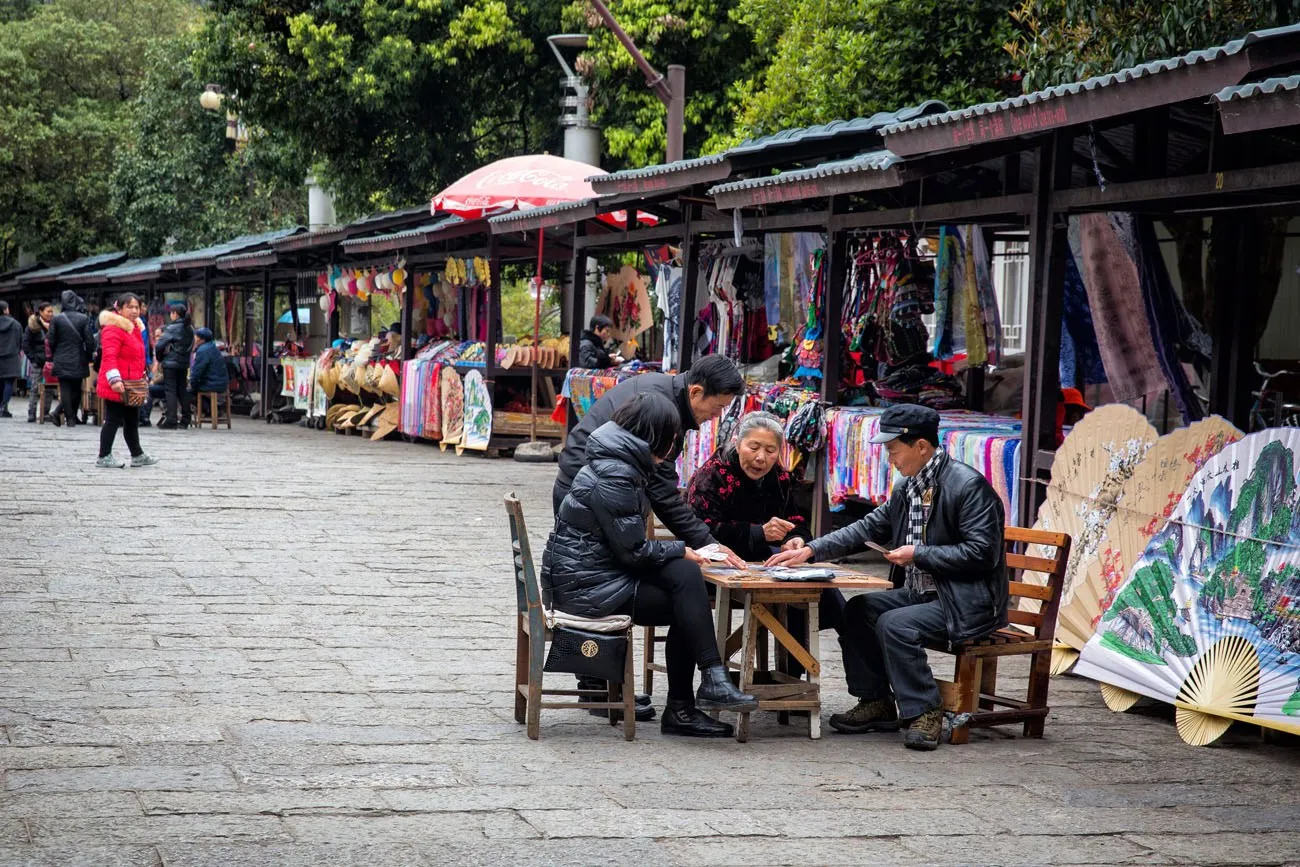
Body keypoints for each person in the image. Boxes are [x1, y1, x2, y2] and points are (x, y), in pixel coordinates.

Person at [767, 404, 1007, 751]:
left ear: (921, 447)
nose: (890, 457)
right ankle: (875, 701)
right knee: (859, 610)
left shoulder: (968, 487)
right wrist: (810, 550)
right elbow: (868, 526)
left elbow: (982, 554)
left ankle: (926, 711)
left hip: (967, 600)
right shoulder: (908, 486)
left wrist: (918, 554)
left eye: (893, 449)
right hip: (926, 593)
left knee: (895, 624)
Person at [543, 394, 759, 737]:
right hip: (587, 589)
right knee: (687, 596)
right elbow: (634, 552)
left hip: (594, 576)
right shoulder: (616, 474)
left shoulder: (619, 463)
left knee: (688, 582)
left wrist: (682, 553)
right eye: (672, 437)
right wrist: (682, 549)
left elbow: (629, 547)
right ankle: (689, 701)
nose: (675, 446)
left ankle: (702, 689)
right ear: (655, 434)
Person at [685, 411, 846, 652]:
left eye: (770, 451)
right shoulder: (712, 475)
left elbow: (796, 520)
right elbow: (700, 531)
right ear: (737, 444)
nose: (761, 458)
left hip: (762, 565)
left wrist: (796, 539)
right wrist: (759, 533)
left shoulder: (778, 477)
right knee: (788, 588)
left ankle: (796, 674)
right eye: (754, 447)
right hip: (711, 567)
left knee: (819, 590)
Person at [94, 294, 159, 469]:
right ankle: (104, 455)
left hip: (132, 383)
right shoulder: (112, 329)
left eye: (137, 307)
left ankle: (137, 455)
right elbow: (109, 357)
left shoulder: (135, 328)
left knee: (132, 419)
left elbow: (136, 357)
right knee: (113, 418)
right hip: (117, 382)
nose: (134, 310)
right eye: (130, 307)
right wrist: (115, 380)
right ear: (120, 309)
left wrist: (142, 376)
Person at [46, 290, 96, 427]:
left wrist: (56, 352)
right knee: (76, 388)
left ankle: (68, 417)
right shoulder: (83, 318)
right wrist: (88, 355)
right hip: (79, 357)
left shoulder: (57, 319)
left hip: (61, 357)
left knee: (66, 389)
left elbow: (50, 340)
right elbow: (89, 340)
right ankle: (70, 417)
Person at [154, 302, 194, 429]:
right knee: (182, 389)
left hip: (171, 363)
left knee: (170, 390)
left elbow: (159, 345)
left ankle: (171, 419)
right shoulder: (190, 328)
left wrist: (160, 357)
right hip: (183, 363)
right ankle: (186, 418)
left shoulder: (172, 328)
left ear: (175, 314)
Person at [22, 301, 55, 422]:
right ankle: (32, 412)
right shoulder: (33, 325)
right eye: (48, 311)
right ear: (41, 312)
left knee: (50, 388)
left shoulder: (54, 324)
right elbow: (25, 344)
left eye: (52, 311)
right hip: (38, 361)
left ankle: (45, 412)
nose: (51, 314)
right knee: (35, 387)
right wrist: (33, 358)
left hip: (51, 361)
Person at [188, 327, 230, 408]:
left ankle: (209, 409)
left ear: (202, 339)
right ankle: (212, 408)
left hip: (212, 384)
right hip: (220, 384)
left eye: (196, 336)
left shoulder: (203, 350)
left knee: (183, 393)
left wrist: (192, 384)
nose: (194, 338)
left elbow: (197, 372)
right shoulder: (213, 347)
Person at [0, 300, 21, 418]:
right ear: (5, 310)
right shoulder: (15, 324)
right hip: (11, 357)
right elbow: (20, 340)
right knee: (8, 382)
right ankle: (4, 406)